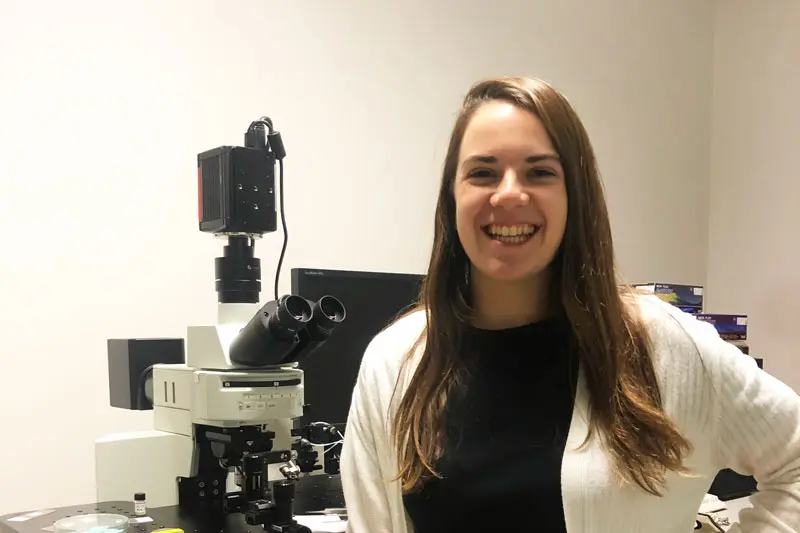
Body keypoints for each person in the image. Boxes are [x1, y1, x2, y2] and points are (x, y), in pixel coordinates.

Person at [338, 76, 800, 532]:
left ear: (575, 197)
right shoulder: (394, 362)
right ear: (452, 197)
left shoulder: (665, 345)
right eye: (483, 172)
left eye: (540, 172)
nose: (509, 193)